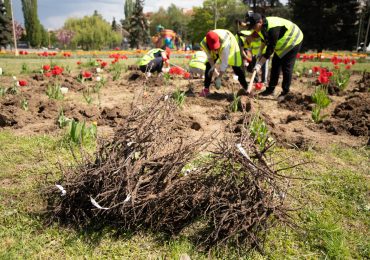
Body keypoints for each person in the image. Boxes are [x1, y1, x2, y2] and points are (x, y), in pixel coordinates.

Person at [243, 13, 303, 99]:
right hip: (282, 43)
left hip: (294, 39)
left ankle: (285, 92)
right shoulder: (261, 27)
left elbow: (270, 50)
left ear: (260, 22)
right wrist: (260, 52)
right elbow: (264, 40)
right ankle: (270, 89)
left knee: (286, 67)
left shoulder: (273, 29)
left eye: (253, 26)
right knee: (275, 64)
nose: (253, 29)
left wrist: (259, 64)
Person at [199, 29, 247, 97]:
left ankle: (246, 88)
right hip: (217, 45)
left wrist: (219, 77)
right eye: (214, 48)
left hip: (230, 42)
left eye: (216, 48)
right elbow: (210, 57)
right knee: (208, 65)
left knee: (236, 67)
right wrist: (213, 67)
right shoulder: (205, 43)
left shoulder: (225, 44)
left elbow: (224, 62)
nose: (216, 50)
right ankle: (206, 89)